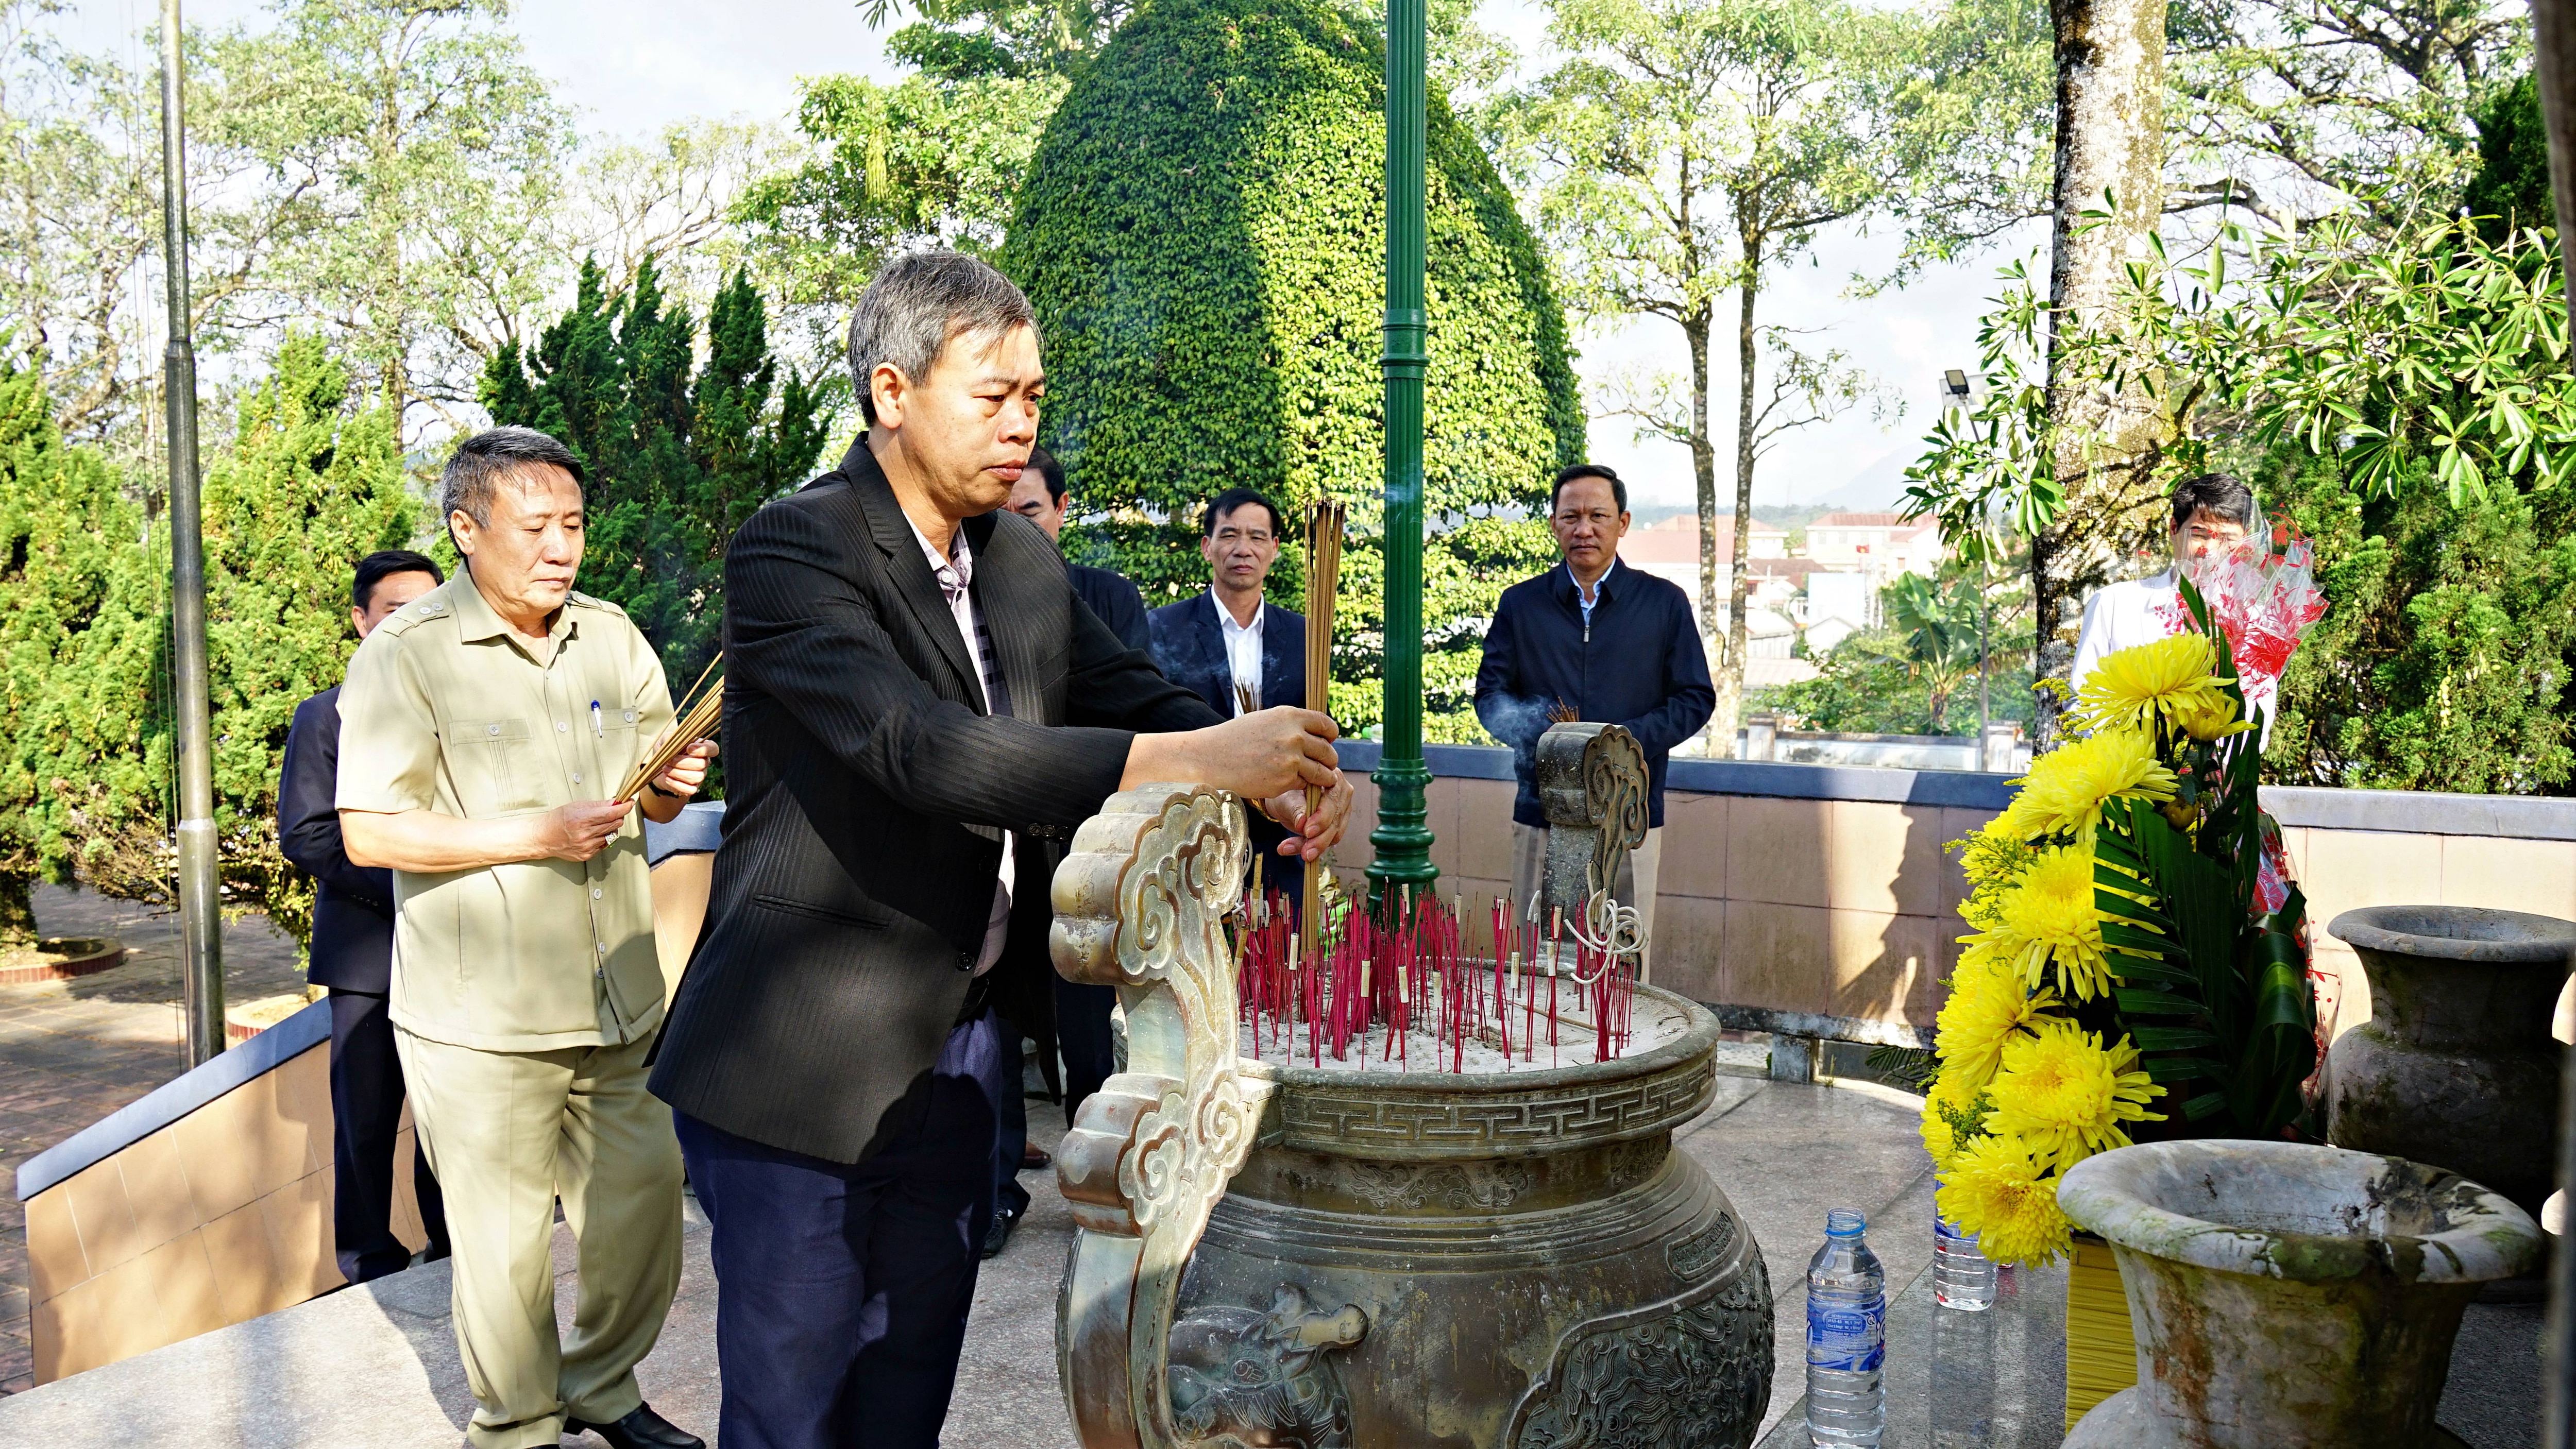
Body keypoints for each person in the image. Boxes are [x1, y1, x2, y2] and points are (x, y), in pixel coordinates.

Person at [645, 250, 1353, 1449]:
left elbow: (1140, 693)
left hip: (962, 1050)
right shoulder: (796, 548)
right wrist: (1205, 759)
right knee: (793, 1410)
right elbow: (922, 749)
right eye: (993, 394)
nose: (1022, 421)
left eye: (1034, 394)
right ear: (891, 392)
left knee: (906, 1390)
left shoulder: (1019, 556)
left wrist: (1282, 776)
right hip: (800, 1066)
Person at [337, 427, 717, 1449]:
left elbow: (659, 793)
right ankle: (516, 1424)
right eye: (536, 526)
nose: (563, 547)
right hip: (480, 1019)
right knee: (502, 1254)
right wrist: (534, 831)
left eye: (575, 524)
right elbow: (371, 829)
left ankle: (599, 1381)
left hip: (617, 993)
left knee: (641, 1224)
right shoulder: (405, 654)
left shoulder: (611, 635)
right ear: (468, 529)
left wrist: (673, 782)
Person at [277, 549, 452, 1286]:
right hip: (368, 961)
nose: (410, 622)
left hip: (454, 952)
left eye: (426, 607)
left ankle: (452, 1248)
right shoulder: (324, 715)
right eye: (393, 609)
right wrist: (411, 875)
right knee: (367, 1125)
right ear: (360, 619)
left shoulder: (458, 706)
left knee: (451, 1118)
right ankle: (370, 1264)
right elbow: (307, 834)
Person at [1475, 464, 1713, 977]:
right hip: (1541, 808)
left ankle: (1628, 1057)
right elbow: (1490, 696)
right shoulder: (1521, 605)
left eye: (1598, 515)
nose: (1585, 528)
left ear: (1622, 522)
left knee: (1621, 960)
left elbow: (1695, 697)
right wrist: (1549, 741)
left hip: (1631, 816)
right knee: (1536, 959)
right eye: (1571, 516)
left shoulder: (1662, 603)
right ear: (1554, 524)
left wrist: (1619, 744)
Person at [1148, 486, 1310, 914]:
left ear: (1274, 549)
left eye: (1258, 537)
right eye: (1229, 535)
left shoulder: (1304, 636)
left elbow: (1316, 731)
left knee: (1277, 967)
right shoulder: (1164, 628)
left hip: (1280, 836)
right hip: (1191, 839)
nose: (1244, 549)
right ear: (1207, 546)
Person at [2070, 471, 2269, 724]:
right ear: (2174, 529)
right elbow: (2084, 696)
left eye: (2228, 539)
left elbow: (2258, 712)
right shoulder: (2114, 604)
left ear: (2246, 541)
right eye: (2200, 535)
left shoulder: (2256, 620)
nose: (2211, 550)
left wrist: (2211, 758)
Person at [1006, 444, 1149, 650]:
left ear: (1060, 509)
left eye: (1029, 515)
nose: (1014, 528)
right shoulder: (964, 598)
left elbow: (1139, 680)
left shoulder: (1113, 596)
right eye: (1000, 515)